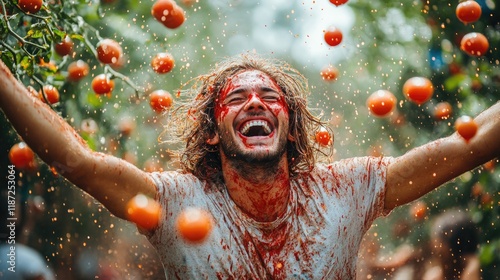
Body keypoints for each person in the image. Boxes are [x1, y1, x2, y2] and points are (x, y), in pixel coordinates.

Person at [0, 53, 498, 279]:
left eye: (269, 97)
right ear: (213, 131)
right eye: (237, 97)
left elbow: (463, 149)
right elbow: (76, 160)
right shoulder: (174, 200)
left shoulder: (349, 188)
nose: (255, 103)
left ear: (292, 127)